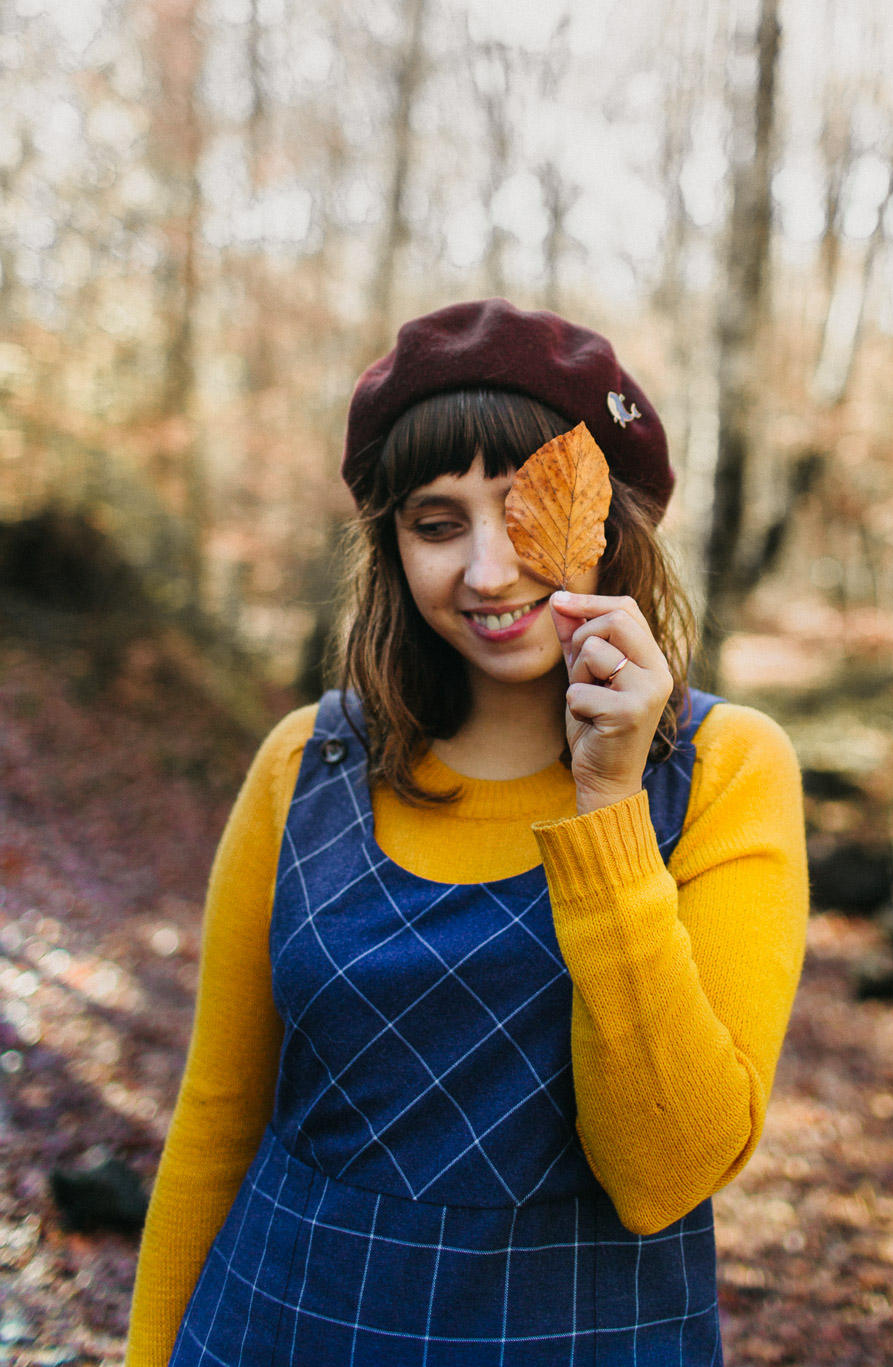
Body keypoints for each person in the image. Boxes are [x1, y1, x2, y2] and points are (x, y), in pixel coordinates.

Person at [125, 298, 808, 1366]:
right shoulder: (304, 768)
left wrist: (610, 806)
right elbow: (217, 1118)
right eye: (437, 522)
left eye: (531, 511)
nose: (489, 570)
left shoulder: (725, 770)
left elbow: (665, 1169)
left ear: (611, 522)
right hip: (273, 1328)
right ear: (393, 549)